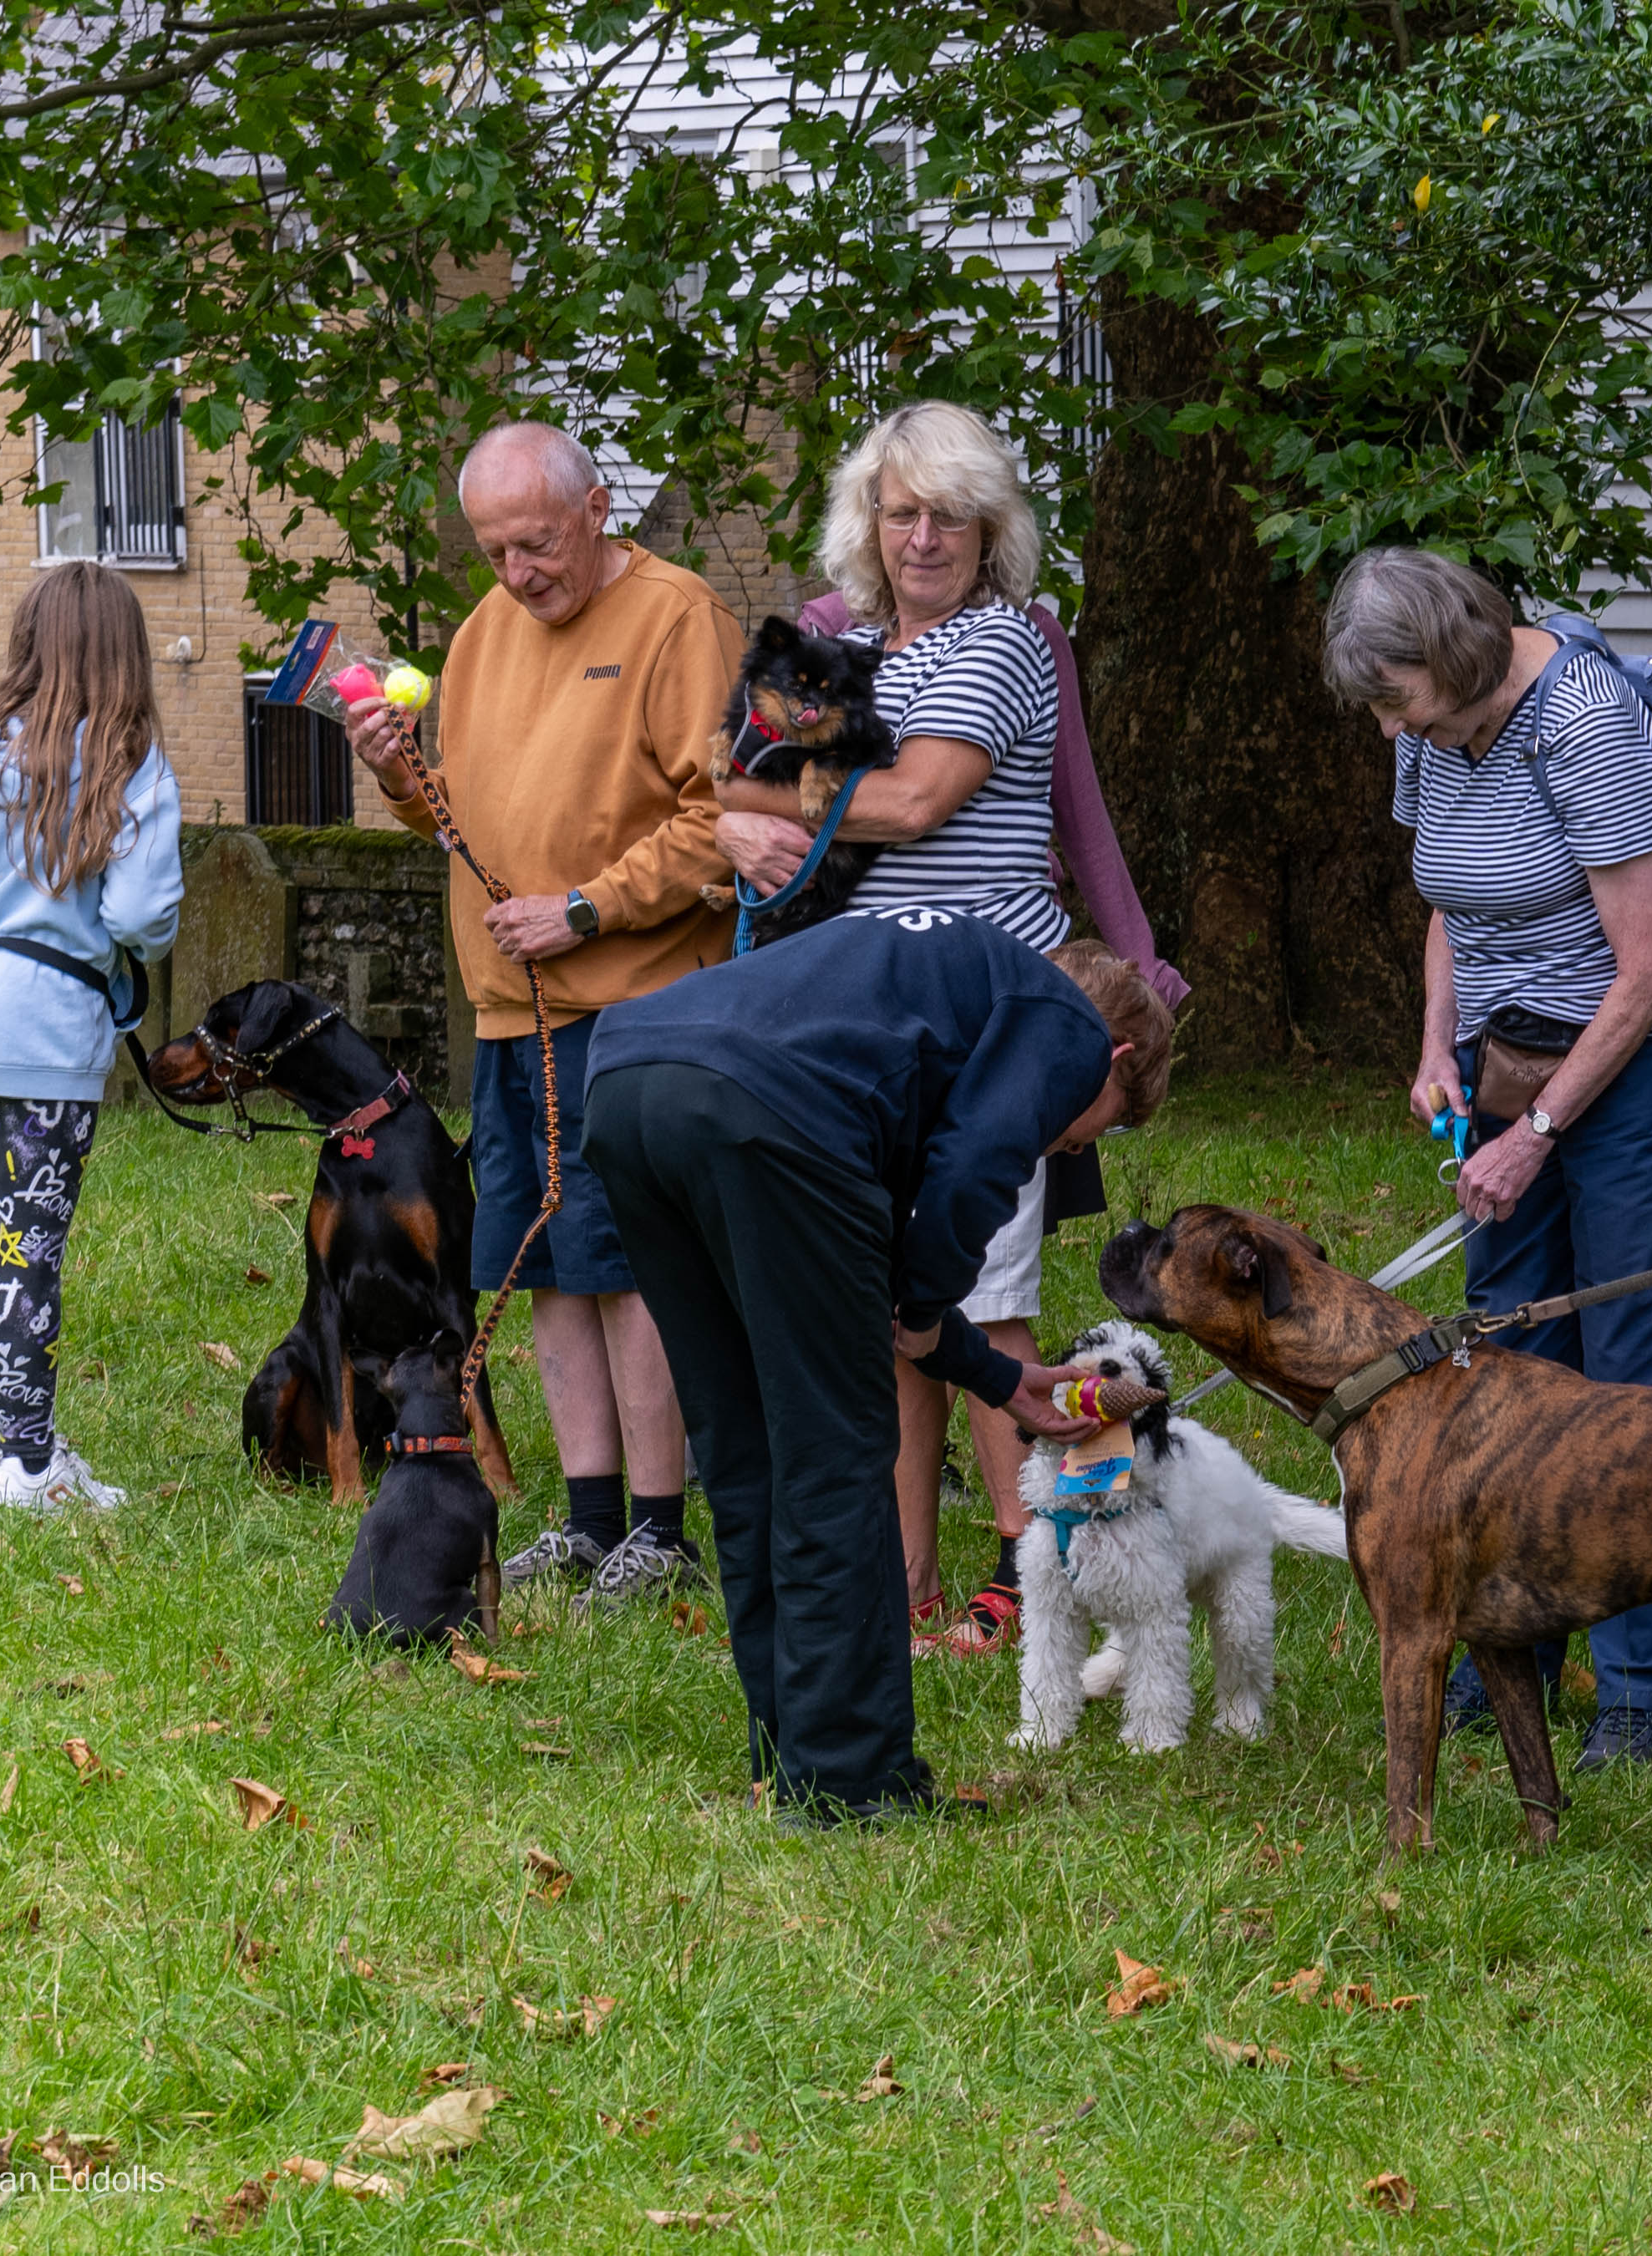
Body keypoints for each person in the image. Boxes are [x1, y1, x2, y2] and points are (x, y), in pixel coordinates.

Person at [755, 404, 1186, 1659]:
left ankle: (1026, 1563)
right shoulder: (841, 642)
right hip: (872, 1021)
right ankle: (907, 1580)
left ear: (994, 527)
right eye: (903, 513)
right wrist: (747, 792)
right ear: (868, 525)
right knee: (897, 1313)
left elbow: (922, 801)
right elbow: (730, 758)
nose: (925, 537)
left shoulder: (1011, 637)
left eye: (952, 514)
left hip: (997, 1013)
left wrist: (1141, 964)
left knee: (986, 1307)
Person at [581, 912, 1173, 1824]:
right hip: (766, 1114)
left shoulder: (922, 1001)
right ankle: (852, 1785)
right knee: (838, 1455)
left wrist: (991, 1371)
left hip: (630, 1084)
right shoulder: (1065, 1024)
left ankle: (791, 1754)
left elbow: (872, 1285)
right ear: (1116, 1055)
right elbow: (967, 1181)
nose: (1072, 1150)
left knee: (749, 1456)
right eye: (1099, 1129)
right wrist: (930, 1299)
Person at [1323, 546, 1652, 1774]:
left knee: (1636, 1371)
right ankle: (1514, 1648)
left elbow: (1647, 967)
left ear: (1454, 658)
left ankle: (1645, 1694)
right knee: (1505, 1368)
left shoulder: (1585, 723)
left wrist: (1539, 1137)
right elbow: (1451, 901)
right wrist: (1438, 1052)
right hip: (1510, 1063)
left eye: (1395, 697)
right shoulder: (1429, 724)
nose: (1386, 723)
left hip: (1645, 1062)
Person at [338, 421, 738, 1614]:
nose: (520, 573)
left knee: (628, 1267)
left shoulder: (679, 619)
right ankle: (588, 1515)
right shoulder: (483, 633)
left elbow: (728, 814)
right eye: (497, 551)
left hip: (636, 1005)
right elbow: (454, 812)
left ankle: (663, 1528)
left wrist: (589, 908)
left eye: (539, 543)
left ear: (598, 507)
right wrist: (396, 772)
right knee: (543, 1264)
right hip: (511, 1011)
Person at [0, 561, 186, 1512]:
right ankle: (29, 1466)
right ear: (127, 654)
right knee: (29, 1247)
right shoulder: (129, 758)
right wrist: (117, 949)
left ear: (28, 640)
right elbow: (146, 914)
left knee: (2, 1227)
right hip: (44, 1032)